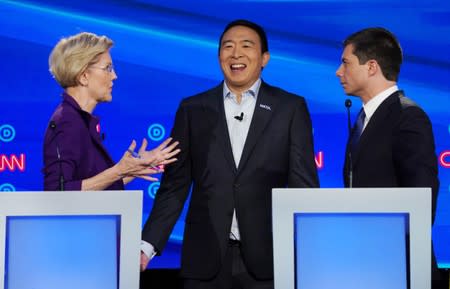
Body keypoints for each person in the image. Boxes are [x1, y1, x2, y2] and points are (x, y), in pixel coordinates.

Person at [140, 19, 319, 289]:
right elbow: (174, 186)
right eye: (228, 46)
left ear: (264, 59)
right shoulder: (192, 109)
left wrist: (311, 249)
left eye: (247, 46)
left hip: (268, 261)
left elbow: (302, 185)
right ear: (219, 56)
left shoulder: (289, 108)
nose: (236, 53)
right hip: (204, 261)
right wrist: (147, 245)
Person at [336, 27, 447, 288]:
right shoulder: (364, 120)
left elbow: (422, 200)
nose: (339, 72)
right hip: (367, 264)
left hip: (401, 268)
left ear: (371, 66)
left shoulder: (407, 116)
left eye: (345, 63)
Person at [43, 32, 180, 191]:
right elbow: (57, 192)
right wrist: (118, 171)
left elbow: (94, 189)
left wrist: (133, 169)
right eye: (107, 68)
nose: (114, 76)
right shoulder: (67, 121)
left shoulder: (81, 121)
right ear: (84, 76)